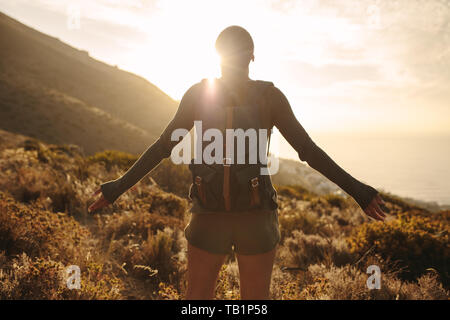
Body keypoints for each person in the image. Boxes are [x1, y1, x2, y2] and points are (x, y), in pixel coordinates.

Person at [88, 26, 387, 300]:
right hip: (255, 216)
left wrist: (117, 187)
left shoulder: (198, 94)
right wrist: (358, 191)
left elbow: (163, 147)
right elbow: (308, 151)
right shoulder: (270, 98)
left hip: (209, 211)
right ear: (253, 56)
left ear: (217, 56)